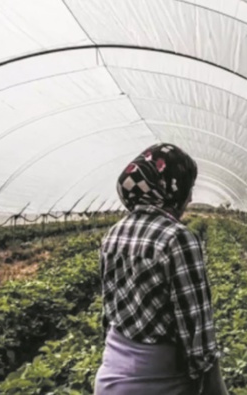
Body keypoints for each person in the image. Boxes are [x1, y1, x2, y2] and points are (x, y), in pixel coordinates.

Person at [95, 143, 228, 395]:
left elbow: (108, 314)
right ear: (170, 187)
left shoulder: (113, 234)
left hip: (110, 379)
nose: (189, 198)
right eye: (187, 188)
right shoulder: (177, 238)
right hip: (160, 384)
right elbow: (197, 334)